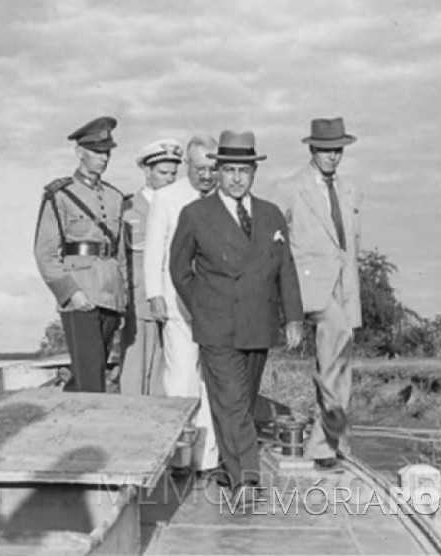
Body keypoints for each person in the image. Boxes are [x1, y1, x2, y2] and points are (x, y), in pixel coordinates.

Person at [169, 130, 303, 500]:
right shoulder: (195, 214)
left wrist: (293, 317)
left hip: (258, 325)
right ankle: (248, 478)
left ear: (254, 173)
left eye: (244, 170)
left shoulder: (271, 214)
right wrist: (204, 305)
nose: (237, 178)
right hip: (217, 327)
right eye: (229, 170)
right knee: (229, 400)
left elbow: (286, 269)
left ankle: (231, 471)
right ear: (218, 172)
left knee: (241, 403)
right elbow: (179, 269)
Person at [271, 117, 363, 470]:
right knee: (336, 338)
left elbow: (351, 245)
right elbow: (272, 240)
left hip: (344, 284)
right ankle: (330, 433)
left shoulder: (351, 189)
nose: (332, 157)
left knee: (339, 362)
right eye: (325, 150)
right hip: (309, 286)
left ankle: (329, 442)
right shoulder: (289, 187)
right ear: (312, 149)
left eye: (337, 150)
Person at [144, 135, 221, 474]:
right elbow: (154, 249)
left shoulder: (223, 198)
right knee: (181, 378)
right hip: (178, 304)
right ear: (187, 165)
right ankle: (179, 459)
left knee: (212, 381)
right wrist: (154, 294)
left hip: (217, 306)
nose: (207, 175)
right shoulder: (166, 198)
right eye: (200, 168)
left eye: (212, 168)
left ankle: (208, 459)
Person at [34, 116, 127, 393]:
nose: (104, 158)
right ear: (79, 153)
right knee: (90, 377)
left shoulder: (115, 197)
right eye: (97, 152)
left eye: (107, 152)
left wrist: (123, 298)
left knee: (89, 374)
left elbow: (119, 253)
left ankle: (66, 424)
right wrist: (71, 292)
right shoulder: (60, 194)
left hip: (110, 295)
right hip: (81, 295)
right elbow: (45, 253)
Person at [119, 138, 182, 396]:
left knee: (165, 374)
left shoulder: (180, 206)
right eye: (163, 172)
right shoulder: (127, 208)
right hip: (139, 304)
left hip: (173, 302)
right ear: (146, 171)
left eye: (173, 174)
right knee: (135, 372)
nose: (169, 179)